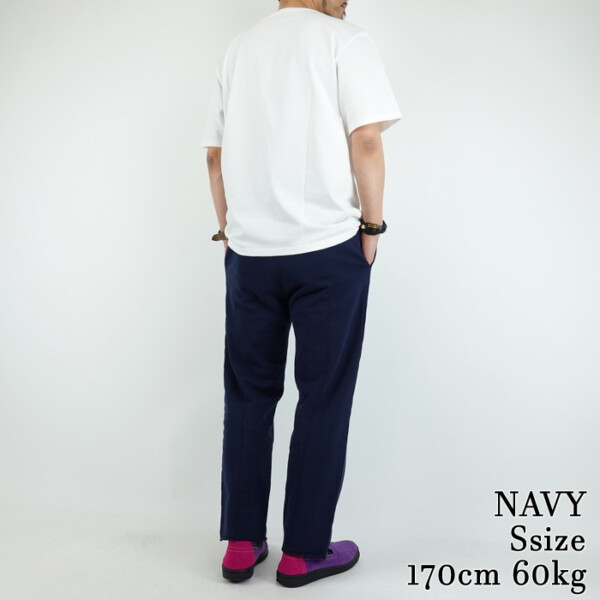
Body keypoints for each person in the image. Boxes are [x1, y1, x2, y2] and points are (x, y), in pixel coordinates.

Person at [200, 0, 402, 587]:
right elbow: (366, 139)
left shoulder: (239, 48)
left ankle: (241, 545)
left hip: (250, 257)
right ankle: (303, 553)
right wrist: (372, 226)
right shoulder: (344, 40)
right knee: (323, 397)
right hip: (327, 252)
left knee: (247, 395)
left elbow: (213, 156)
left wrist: (230, 233)